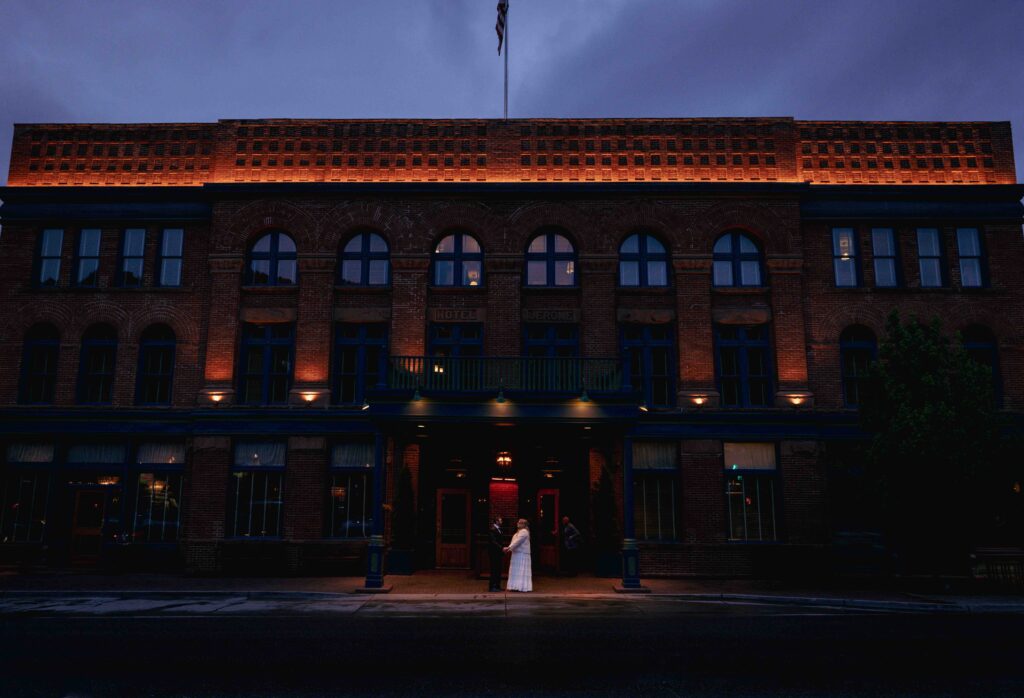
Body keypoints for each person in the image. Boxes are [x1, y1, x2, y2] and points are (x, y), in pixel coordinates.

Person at [503, 518, 532, 592]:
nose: (518, 523)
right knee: (516, 571)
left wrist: (509, 548)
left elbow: (518, 542)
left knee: (520, 570)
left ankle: (521, 586)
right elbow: (514, 542)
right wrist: (509, 548)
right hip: (516, 553)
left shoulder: (524, 532)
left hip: (521, 554)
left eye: (520, 523)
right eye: (518, 522)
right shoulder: (517, 533)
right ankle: (515, 586)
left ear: (523, 524)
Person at [487, 515, 504, 592]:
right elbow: (493, 541)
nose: (501, 522)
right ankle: (492, 587)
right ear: (496, 521)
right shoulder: (492, 529)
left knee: (498, 569)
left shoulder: (499, 529)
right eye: (500, 520)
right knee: (494, 570)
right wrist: (501, 548)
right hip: (494, 553)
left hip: (498, 553)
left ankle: (497, 585)